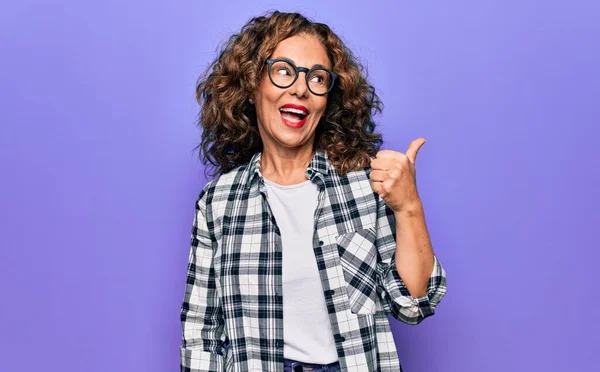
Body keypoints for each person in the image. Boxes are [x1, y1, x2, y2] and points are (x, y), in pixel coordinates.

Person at [180, 11, 447, 372]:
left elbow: (414, 304)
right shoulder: (218, 201)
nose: (301, 88)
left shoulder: (364, 182)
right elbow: (202, 334)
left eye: (317, 78)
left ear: (329, 99)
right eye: (284, 71)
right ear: (252, 84)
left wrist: (409, 206)